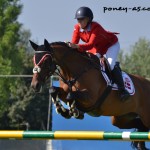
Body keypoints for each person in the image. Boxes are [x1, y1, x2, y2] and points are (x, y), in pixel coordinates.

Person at [68, 6, 130, 101]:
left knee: (110, 64)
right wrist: (69, 46)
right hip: (97, 47)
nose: (79, 22)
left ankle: (122, 90)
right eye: (78, 20)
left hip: (110, 45)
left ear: (88, 19)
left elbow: (90, 44)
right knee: (89, 61)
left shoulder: (96, 27)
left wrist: (76, 46)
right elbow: (74, 43)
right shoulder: (77, 28)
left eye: (81, 19)